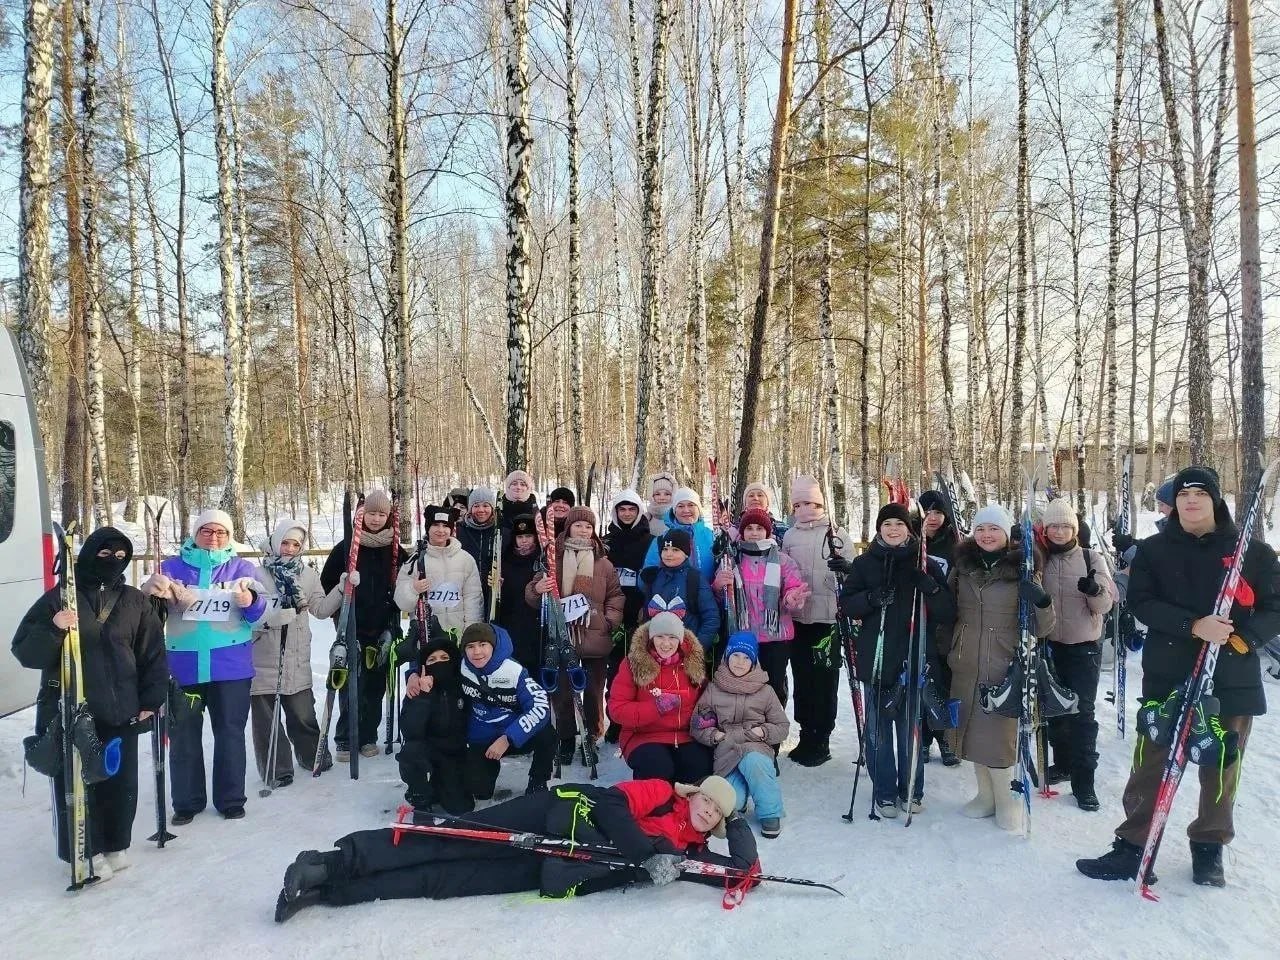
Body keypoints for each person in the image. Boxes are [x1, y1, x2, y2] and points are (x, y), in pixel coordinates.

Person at [1076, 467, 1280, 887]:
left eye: (1200, 494)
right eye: (1184, 494)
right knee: (1151, 762)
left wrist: (1243, 639)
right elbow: (1142, 603)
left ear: (1215, 500)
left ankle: (1209, 845)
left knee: (1221, 764)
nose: (1191, 501)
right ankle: (1134, 845)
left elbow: (1275, 607)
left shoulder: (1254, 552)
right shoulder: (1154, 550)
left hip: (1230, 676)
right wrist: (1193, 626)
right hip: (1168, 675)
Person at [273, 775, 752, 922]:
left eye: (716, 813)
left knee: (448, 882)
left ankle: (330, 892)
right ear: (695, 794)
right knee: (452, 840)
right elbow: (610, 802)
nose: (707, 811)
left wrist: (736, 824)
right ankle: (330, 864)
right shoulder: (663, 792)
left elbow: (740, 870)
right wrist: (646, 855)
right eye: (707, 800)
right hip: (551, 815)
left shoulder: (689, 851)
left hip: (561, 864)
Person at [13, 527, 168, 879]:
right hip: (72, 709)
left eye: (120, 556)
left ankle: (116, 843)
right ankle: (84, 849)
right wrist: (54, 628)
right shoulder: (60, 599)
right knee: (77, 783)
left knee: (120, 781)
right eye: (105, 553)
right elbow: (25, 651)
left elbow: (152, 654)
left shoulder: (134, 601)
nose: (113, 561)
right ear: (88, 555)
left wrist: (150, 698)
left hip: (121, 709)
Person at [143, 508, 268, 823]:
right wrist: (151, 592)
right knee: (183, 735)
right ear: (195, 534)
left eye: (221, 532)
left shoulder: (242, 568)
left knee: (230, 734)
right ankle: (187, 802)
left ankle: (231, 800)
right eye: (207, 531)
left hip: (230, 667)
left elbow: (261, 613)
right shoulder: (171, 567)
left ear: (229, 536)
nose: (214, 537)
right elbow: (150, 614)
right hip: (183, 666)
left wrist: (251, 602)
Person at [838, 504, 956, 817]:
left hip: (912, 659)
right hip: (876, 659)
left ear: (909, 529)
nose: (893, 529)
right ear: (879, 528)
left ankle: (911, 789)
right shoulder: (865, 563)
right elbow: (846, 604)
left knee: (909, 730)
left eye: (899, 524)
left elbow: (948, 611)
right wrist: (871, 599)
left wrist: (931, 588)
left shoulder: (924, 562)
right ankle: (885, 791)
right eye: (887, 524)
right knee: (878, 731)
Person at [945, 504, 1055, 833]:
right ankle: (985, 796)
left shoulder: (1023, 568)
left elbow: (1044, 627)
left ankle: (1007, 801)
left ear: (1006, 534)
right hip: (966, 659)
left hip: (1004, 661)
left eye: (994, 529)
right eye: (980, 529)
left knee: (999, 738)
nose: (986, 535)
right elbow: (947, 610)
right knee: (970, 733)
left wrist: (1041, 601)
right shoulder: (963, 567)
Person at [527, 505, 624, 767]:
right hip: (561, 636)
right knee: (562, 692)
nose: (583, 530)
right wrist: (538, 588)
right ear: (568, 527)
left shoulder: (603, 563)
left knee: (593, 692)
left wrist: (609, 621)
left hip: (594, 636)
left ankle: (591, 736)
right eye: (578, 525)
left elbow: (616, 595)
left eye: (588, 526)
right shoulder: (552, 558)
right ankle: (566, 737)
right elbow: (533, 595)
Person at [251, 519, 342, 784]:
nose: (290, 549)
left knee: (303, 714)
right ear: (275, 542)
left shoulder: (308, 575)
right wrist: (271, 619)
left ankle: (312, 755)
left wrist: (341, 588)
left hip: (297, 654)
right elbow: (245, 615)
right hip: (263, 654)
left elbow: (320, 610)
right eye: (285, 543)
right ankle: (277, 770)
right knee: (267, 720)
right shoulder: (256, 575)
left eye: (296, 544)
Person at [1039, 497, 1115, 812]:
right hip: (1049, 645)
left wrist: (1094, 591)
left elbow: (1106, 604)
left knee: (1082, 715)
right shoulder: (1040, 558)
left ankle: (1084, 782)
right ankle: (1063, 764)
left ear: (1074, 528)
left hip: (1083, 649)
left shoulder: (1090, 557)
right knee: (1055, 711)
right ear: (1045, 530)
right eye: (1053, 526)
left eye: (1065, 526)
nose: (1059, 532)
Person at [320, 490, 403, 763]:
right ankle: (346, 737)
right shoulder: (347, 547)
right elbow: (327, 582)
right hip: (353, 626)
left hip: (381, 627)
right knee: (351, 685)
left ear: (388, 516)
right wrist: (343, 588)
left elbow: (404, 584)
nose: (376, 519)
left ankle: (368, 735)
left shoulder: (394, 548)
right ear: (362, 514)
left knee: (375, 686)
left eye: (381, 514)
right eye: (371, 514)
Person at [781, 476, 854, 767]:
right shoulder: (790, 536)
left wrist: (845, 569)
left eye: (810, 503)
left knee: (824, 679)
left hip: (828, 621)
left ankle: (822, 737)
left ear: (821, 504)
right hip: (799, 619)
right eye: (798, 504)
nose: (804, 509)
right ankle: (806, 732)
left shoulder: (837, 535)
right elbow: (784, 572)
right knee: (802, 678)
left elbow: (854, 576)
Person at [690, 631, 790, 837]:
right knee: (732, 803)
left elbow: (782, 727)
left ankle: (770, 813)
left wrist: (764, 731)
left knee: (755, 763)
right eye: (735, 655)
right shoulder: (714, 689)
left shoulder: (765, 691)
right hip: (727, 751)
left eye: (746, 657)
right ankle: (742, 797)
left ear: (753, 662)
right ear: (727, 656)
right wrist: (713, 735)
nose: (740, 662)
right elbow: (697, 724)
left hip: (755, 747)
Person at [711, 507, 808, 708]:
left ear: (767, 531)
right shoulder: (731, 560)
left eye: (759, 528)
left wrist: (792, 598)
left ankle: (773, 727)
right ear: (742, 532)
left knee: (773, 689)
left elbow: (792, 588)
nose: (754, 533)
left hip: (775, 638)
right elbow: (722, 601)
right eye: (749, 528)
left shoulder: (783, 560)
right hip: (743, 636)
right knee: (743, 690)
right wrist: (718, 586)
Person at [607, 612, 712, 782]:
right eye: (660, 637)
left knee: (699, 769)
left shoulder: (691, 664)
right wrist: (655, 707)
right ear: (651, 638)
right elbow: (617, 709)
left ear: (680, 640)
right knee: (658, 769)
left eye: (672, 637)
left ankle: (681, 799)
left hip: (685, 736)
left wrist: (705, 716)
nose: (666, 643)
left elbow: (707, 699)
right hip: (643, 736)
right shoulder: (634, 664)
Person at [457, 621, 556, 797]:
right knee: (479, 792)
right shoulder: (461, 667)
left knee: (546, 733)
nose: (477, 651)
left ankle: (538, 782)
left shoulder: (514, 671)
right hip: (482, 737)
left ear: (493, 646)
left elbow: (540, 706)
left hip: (513, 734)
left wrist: (509, 738)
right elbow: (431, 659)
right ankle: (487, 771)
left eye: (483, 644)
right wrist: (412, 675)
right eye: (470, 646)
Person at [397, 632, 470, 814]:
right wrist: (424, 696)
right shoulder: (417, 689)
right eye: (432, 660)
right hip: (428, 750)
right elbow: (410, 731)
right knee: (411, 752)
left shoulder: (464, 685)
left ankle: (441, 785)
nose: (439, 663)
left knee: (460, 808)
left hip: (455, 753)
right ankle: (419, 796)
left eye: (444, 658)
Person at [604, 490, 655, 741]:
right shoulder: (606, 541)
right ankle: (615, 720)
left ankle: (638, 719)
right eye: (622, 509)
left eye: (631, 509)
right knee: (615, 671)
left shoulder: (650, 540)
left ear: (638, 511)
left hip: (640, 614)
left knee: (640, 668)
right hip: (613, 614)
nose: (626, 514)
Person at [917, 489, 962, 765]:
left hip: (947, 625)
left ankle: (946, 737)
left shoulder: (955, 545)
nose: (932, 518)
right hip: (918, 623)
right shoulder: (912, 542)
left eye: (938, 512)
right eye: (927, 512)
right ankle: (922, 738)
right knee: (922, 682)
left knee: (945, 682)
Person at [395, 503, 483, 641]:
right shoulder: (415, 561)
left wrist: (470, 634)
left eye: (445, 526)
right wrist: (413, 589)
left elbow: (473, 599)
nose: (441, 530)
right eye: (436, 525)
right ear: (428, 527)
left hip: (458, 637)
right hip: (426, 639)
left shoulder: (466, 560)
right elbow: (402, 603)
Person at [638, 528, 720, 651]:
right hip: (657, 649)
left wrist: (697, 649)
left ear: (686, 553)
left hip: (685, 649)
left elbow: (711, 617)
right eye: (665, 549)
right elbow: (647, 614)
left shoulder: (695, 579)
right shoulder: (654, 577)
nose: (669, 554)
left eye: (675, 550)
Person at [496, 514, 544, 673]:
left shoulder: (542, 561)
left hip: (536, 626)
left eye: (528, 536)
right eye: (520, 537)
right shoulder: (504, 561)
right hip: (511, 624)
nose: (524, 541)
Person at [643, 487, 717, 583]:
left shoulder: (711, 536)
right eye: (680, 506)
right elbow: (647, 577)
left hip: (709, 591)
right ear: (674, 511)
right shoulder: (662, 539)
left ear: (699, 509)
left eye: (691, 505)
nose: (686, 510)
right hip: (673, 592)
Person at [455, 487, 500, 619]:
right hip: (466, 594)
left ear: (492, 508)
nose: (481, 510)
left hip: (493, 594)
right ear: (470, 508)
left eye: (486, 505)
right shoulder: (459, 531)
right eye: (476, 506)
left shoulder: (500, 531)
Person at [646, 471, 677, 537]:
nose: (662, 498)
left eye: (667, 494)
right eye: (657, 494)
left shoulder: (678, 516)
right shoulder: (646, 517)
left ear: (673, 495)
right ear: (652, 496)